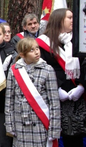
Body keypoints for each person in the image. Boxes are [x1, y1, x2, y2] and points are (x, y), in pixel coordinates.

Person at [36, 8, 86, 147]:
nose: (72, 20)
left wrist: (82, 86)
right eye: (69, 17)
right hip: (53, 96)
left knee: (76, 136)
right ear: (59, 20)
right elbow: (41, 69)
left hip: (78, 96)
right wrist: (55, 90)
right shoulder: (43, 43)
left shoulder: (80, 40)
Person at [5, 38, 61, 147]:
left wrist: (54, 129)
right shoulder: (14, 70)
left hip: (40, 124)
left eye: (37, 48)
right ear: (22, 54)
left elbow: (54, 103)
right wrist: (9, 125)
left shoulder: (47, 70)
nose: (36, 52)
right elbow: (9, 100)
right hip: (20, 124)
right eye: (31, 50)